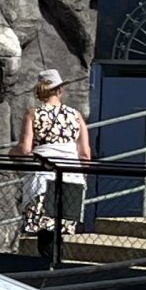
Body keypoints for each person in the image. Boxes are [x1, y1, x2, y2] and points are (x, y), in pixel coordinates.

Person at [16, 68, 88, 232]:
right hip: (71, 177)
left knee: (39, 229)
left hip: (43, 177)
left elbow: (25, 148)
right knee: (63, 230)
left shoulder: (34, 114)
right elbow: (85, 153)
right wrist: (83, 175)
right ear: (60, 89)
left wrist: (12, 153)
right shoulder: (76, 115)